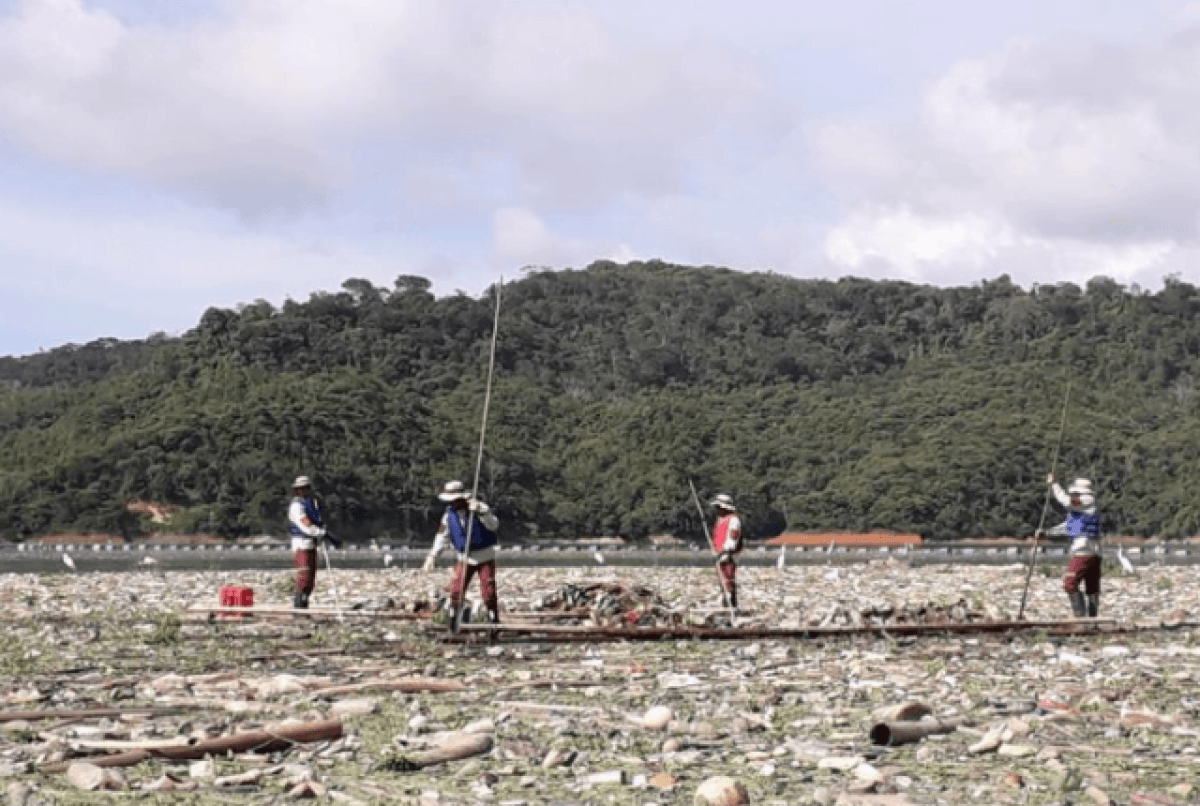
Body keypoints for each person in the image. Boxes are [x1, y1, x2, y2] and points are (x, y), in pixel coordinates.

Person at [422, 480, 501, 623]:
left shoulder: (480, 508)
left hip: (485, 556)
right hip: (464, 558)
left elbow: (494, 525)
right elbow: (441, 536)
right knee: (456, 591)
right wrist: (432, 556)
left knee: (488, 592)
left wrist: (482, 512)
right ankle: (454, 620)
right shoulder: (448, 515)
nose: (454, 503)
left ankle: (493, 620)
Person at [1038, 474, 1101, 618]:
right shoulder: (1079, 512)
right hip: (1089, 552)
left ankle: (1081, 616)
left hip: (1084, 552)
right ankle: (1091, 618)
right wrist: (1046, 533)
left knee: (1070, 583)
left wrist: (1054, 485)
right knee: (1091, 587)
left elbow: (1066, 502)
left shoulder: (1087, 500)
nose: (1073, 495)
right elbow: (1067, 527)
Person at [287, 476, 338, 609]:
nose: (305, 491)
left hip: (311, 543)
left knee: (311, 576)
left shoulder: (312, 503)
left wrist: (322, 527)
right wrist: (321, 533)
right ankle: (298, 605)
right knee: (304, 574)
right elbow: (306, 525)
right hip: (301, 543)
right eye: (302, 488)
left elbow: (317, 521)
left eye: (307, 488)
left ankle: (305, 603)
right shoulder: (296, 506)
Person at [709, 493, 743, 608]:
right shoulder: (720, 520)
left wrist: (726, 552)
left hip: (728, 554)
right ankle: (725, 602)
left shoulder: (734, 520)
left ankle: (731, 604)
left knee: (728, 578)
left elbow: (733, 538)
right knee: (721, 578)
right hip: (718, 553)